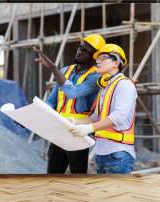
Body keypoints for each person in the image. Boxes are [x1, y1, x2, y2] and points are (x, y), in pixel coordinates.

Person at [33, 34, 106, 174]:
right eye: (80, 47)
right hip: (59, 131)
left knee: (77, 177)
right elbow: (51, 101)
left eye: (85, 50)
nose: (79, 51)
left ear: (96, 56)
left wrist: (53, 68)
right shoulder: (65, 71)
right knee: (53, 176)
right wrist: (34, 115)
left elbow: (73, 92)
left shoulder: (96, 77)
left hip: (77, 133)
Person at [68, 43, 137, 174]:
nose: (97, 61)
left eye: (103, 58)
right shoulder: (106, 87)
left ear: (116, 62)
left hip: (118, 154)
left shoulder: (124, 85)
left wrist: (89, 128)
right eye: (97, 59)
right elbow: (95, 117)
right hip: (101, 153)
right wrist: (75, 121)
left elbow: (118, 117)